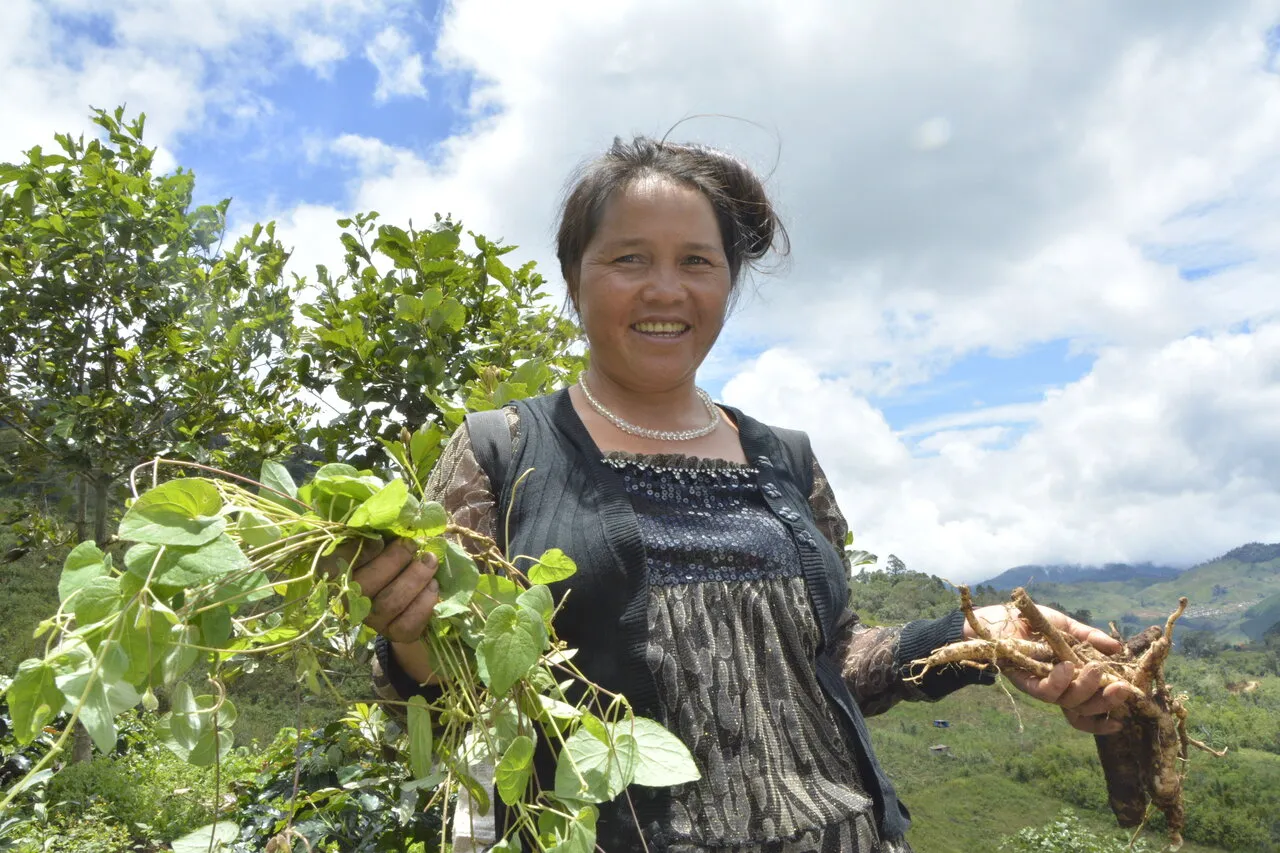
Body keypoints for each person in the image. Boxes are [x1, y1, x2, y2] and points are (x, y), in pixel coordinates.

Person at [347, 137, 1130, 852]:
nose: (665, 290)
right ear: (572, 278)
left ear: (727, 281)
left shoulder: (784, 458)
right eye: (628, 259)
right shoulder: (502, 451)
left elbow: (837, 661)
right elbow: (447, 698)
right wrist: (412, 633)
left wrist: (980, 635)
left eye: (697, 261)